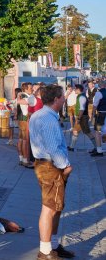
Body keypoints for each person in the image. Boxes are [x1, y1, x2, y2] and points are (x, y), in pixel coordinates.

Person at [29, 84, 75, 260]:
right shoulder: (47, 119)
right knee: (49, 208)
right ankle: (46, 251)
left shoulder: (40, 115)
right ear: (56, 99)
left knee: (56, 206)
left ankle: (53, 245)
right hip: (51, 166)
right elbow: (53, 147)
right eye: (63, 96)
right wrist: (65, 166)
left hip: (45, 165)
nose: (64, 98)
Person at [67, 84, 98, 153]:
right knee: (76, 131)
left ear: (78, 90)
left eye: (75, 89)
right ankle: (71, 147)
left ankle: (97, 147)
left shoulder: (82, 97)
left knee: (88, 132)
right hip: (82, 117)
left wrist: (78, 119)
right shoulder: (80, 96)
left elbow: (82, 109)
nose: (74, 90)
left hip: (82, 117)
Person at [92, 81, 106, 157]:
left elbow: (95, 105)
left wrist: (93, 114)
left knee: (98, 132)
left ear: (99, 86)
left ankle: (99, 150)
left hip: (101, 115)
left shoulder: (98, 93)